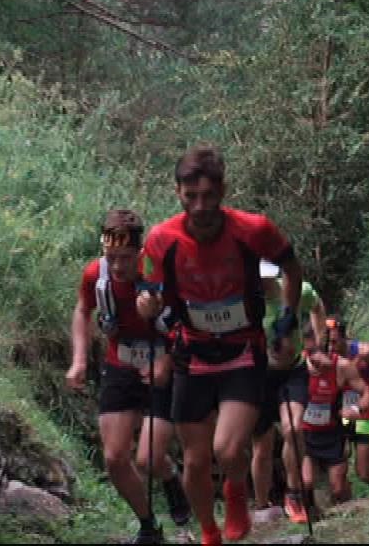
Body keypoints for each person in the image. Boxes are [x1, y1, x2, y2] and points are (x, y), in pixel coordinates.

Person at [136, 144, 304, 545]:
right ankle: (209, 531)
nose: (200, 206)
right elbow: (147, 291)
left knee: (228, 450)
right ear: (177, 193)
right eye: (191, 196)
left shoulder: (254, 229)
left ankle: (236, 491)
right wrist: (147, 305)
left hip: (243, 350)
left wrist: (287, 318)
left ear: (223, 191)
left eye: (208, 195)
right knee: (195, 461)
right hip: (192, 353)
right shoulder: (161, 239)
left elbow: (291, 268)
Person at [65, 209, 190, 545]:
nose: (118, 266)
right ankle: (148, 526)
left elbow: (189, 324)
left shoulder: (163, 275)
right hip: (120, 363)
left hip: (162, 365)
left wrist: (167, 361)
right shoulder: (96, 275)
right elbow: (82, 309)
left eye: (126, 258)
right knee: (114, 458)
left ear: (141, 251)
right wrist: (79, 360)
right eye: (111, 257)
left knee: (148, 458)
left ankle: (170, 477)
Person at [251, 260, 326, 525]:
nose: (261, 283)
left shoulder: (297, 291)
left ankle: (293, 494)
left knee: (294, 429)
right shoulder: (245, 300)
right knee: (262, 444)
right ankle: (262, 505)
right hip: (259, 375)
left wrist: (318, 347)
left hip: (293, 370)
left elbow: (317, 307)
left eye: (265, 278)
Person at [300, 338, 369, 518]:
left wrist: (356, 409)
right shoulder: (297, 366)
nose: (318, 367)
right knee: (306, 482)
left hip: (334, 432)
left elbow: (368, 393)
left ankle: (349, 512)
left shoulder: (342, 366)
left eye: (322, 364)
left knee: (339, 487)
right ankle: (312, 516)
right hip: (306, 433)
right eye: (314, 363)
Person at [325, 316, 369, 484]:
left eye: (334, 342)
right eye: (327, 342)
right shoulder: (325, 356)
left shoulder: (365, 352)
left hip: (367, 415)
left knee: (365, 474)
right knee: (338, 465)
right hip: (342, 413)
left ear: (344, 337)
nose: (330, 347)